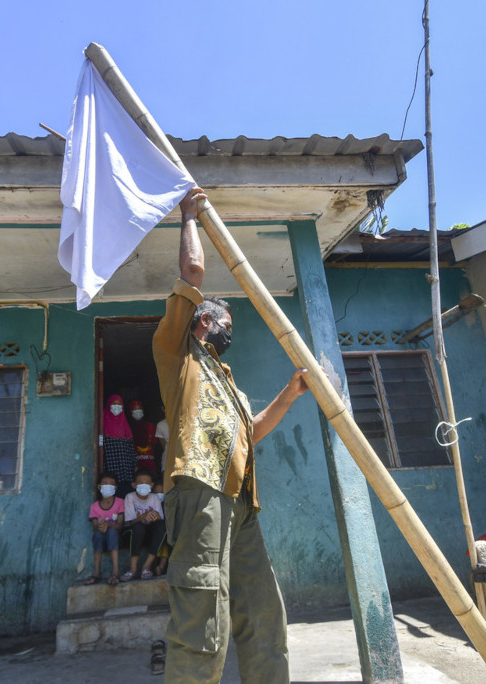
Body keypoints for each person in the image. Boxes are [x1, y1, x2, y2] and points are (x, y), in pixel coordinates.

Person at [152, 187, 309, 683]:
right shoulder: (178, 354)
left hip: (241, 502)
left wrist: (291, 392)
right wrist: (188, 216)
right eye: (226, 322)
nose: (229, 332)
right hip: (198, 492)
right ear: (204, 321)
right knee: (204, 621)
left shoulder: (228, 381)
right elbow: (194, 274)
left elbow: (252, 432)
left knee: (263, 611)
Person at [121, 468, 166, 581]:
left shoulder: (154, 498)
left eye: (147, 483)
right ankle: (133, 568)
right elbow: (130, 522)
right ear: (134, 485)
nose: (144, 485)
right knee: (139, 527)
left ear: (152, 484)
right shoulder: (130, 497)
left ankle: (147, 566)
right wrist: (143, 517)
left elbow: (160, 518)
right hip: (132, 533)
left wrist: (154, 514)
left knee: (162, 526)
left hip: (149, 533)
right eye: (141, 483)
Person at [85, 472, 124, 586]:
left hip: (116, 538)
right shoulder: (94, 506)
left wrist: (108, 525)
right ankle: (97, 572)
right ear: (99, 487)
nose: (108, 486)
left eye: (111, 484)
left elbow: (120, 525)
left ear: (116, 488)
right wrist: (101, 526)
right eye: (105, 483)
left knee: (112, 531)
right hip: (102, 536)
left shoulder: (120, 502)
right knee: (97, 534)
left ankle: (115, 571)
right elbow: (95, 525)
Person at [102, 394, 137, 497]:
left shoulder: (125, 425)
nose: (117, 406)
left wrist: (135, 466)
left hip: (127, 470)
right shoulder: (102, 423)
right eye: (114, 403)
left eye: (119, 404)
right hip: (111, 469)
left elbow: (131, 449)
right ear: (108, 405)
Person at [129, 399, 158, 473]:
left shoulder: (150, 426)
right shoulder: (128, 427)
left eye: (139, 408)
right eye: (134, 409)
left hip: (150, 462)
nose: (137, 411)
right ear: (130, 411)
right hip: (134, 465)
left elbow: (155, 444)